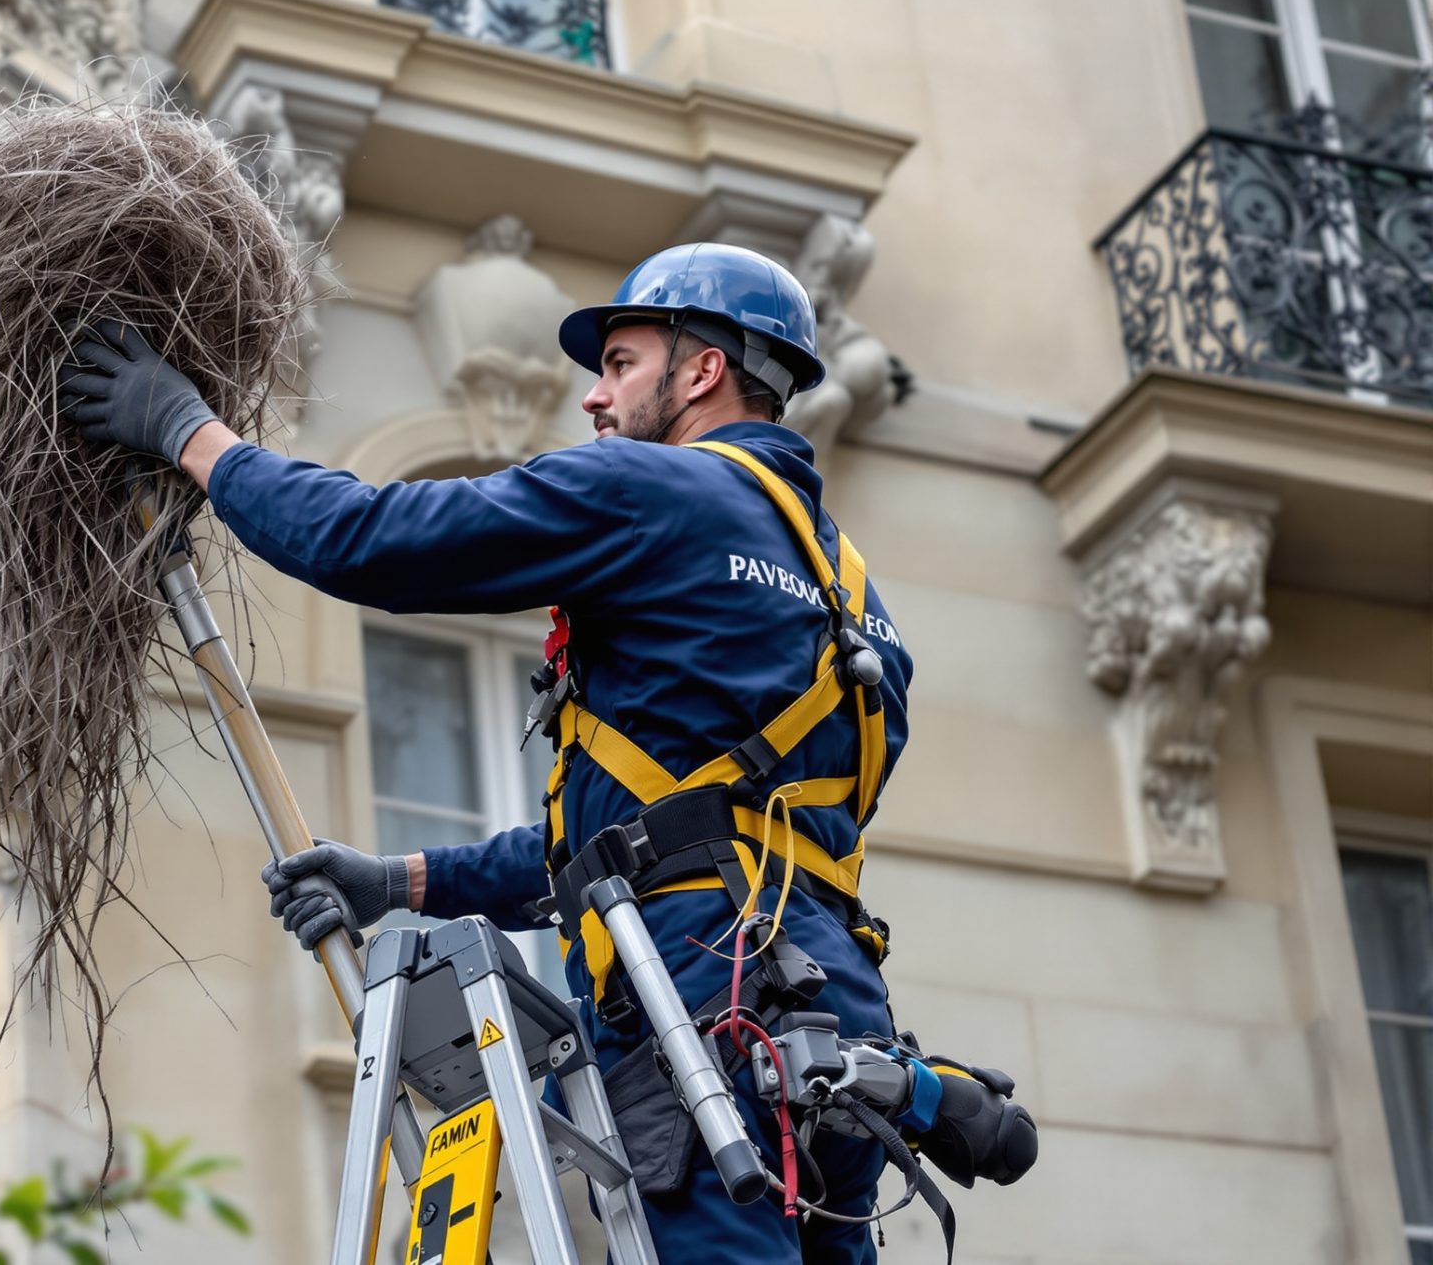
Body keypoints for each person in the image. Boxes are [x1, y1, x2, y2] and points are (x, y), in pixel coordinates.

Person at [59, 242, 914, 1264]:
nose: (594, 396)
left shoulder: (653, 491)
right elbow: (659, 836)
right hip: (835, 1022)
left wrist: (188, 433)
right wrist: (400, 881)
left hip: (703, 1000)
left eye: (622, 363)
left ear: (703, 371)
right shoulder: (857, 596)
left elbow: (374, 538)